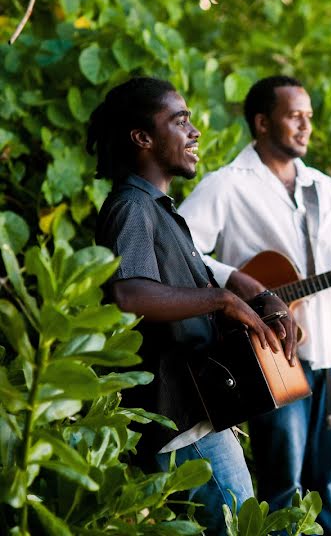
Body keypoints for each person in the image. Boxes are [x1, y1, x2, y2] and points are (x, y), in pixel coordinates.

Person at [179, 75, 331, 535]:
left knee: (329, 481)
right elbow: (181, 251)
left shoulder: (324, 188)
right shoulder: (226, 185)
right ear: (263, 122)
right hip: (269, 355)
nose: (306, 126)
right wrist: (241, 283)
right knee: (281, 484)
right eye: (294, 116)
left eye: (309, 116)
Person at [89, 77, 293, 535]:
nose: (195, 131)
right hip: (182, 423)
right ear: (143, 138)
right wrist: (221, 300)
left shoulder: (157, 208)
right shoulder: (130, 208)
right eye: (180, 122)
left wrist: (254, 295)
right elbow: (129, 294)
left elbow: (198, 276)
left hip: (196, 413)